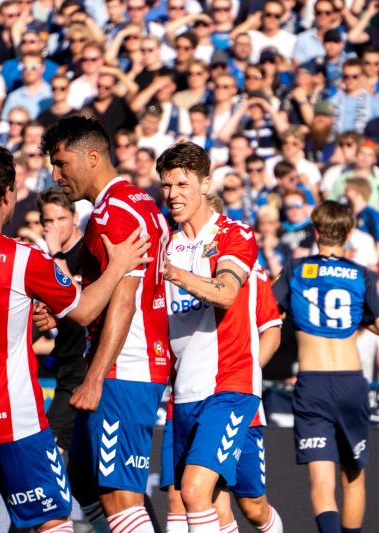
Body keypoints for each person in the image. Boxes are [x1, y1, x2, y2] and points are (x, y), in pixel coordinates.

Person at [0, 145, 152, 533]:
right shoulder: (22, 257)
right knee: (53, 522)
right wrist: (120, 266)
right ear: (7, 194)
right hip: (10, 418)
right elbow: (84, 312)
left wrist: (31, 320)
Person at [39, 115, 170, 532]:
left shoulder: (112, 213)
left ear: (92, 157)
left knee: (120, 498)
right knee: (81, 477)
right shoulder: (141, 202)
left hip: (122, 368)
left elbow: (124, 301)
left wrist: (94, 377)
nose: (56, 175)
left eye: (62, 164)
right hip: (123, 363)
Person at [157, 140, 263, 531]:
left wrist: (176, 274)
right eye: (167, 186)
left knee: (195, 491)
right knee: (212, 507)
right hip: (183, 390)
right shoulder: (165, 241)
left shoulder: (235, 233)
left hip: (229, 384)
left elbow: (226, 292)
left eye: (183, 185)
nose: (173, 195)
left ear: (204, 184)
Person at [272, 200, 379, 533]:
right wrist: (362, 319)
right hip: (350, 382)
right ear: (349, 233)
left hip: (312, 383)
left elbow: (269, 312)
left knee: (321, 482)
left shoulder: (295, 269)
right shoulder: (360, 274)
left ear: (315, 231)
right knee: (352, 480)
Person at [37, 188, 87, 454]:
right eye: (48, 222)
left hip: (87, 365)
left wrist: (56, 251)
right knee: (82, 468)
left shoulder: (88, 251)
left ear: (74, 217)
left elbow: (77, 297)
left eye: (60, 220)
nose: (54, 227)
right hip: (65, 363)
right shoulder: (45, 261)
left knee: (52, 447)